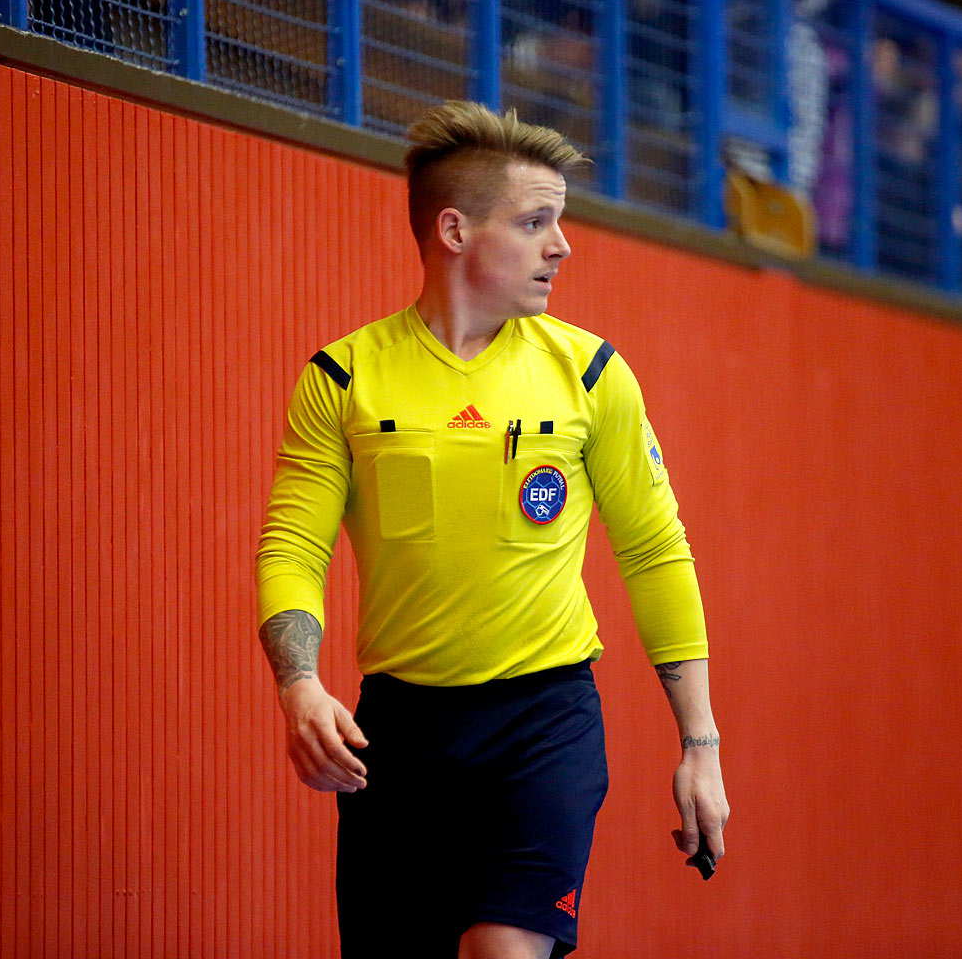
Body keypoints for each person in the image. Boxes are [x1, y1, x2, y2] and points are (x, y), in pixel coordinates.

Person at [255, 100, 729, 959]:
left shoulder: (590, 373)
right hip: (395, 735)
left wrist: (700, 744)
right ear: (455, 230)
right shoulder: (344, 377)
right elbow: (293, 544)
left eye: (560, 222)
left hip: (542, 721)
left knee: (501, 952)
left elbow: (656, 551)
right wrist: (298, 685)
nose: (563, 245)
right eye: (536, 221)